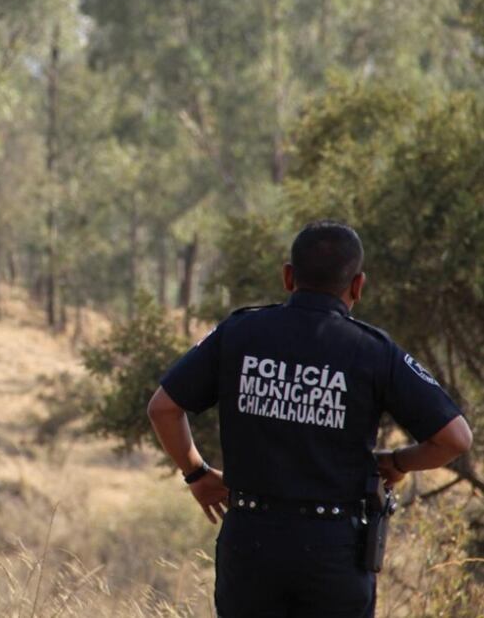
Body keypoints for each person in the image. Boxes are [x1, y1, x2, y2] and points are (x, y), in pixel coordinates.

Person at [147, 221, 472, 618]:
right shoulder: (374, 351)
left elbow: (163, 408)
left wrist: (197, 474)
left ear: (288, 276)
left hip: (250, 541)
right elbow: (455, 439)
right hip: (333, 551)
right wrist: (397, 462)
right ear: (357, 286)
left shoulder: (239, 332)